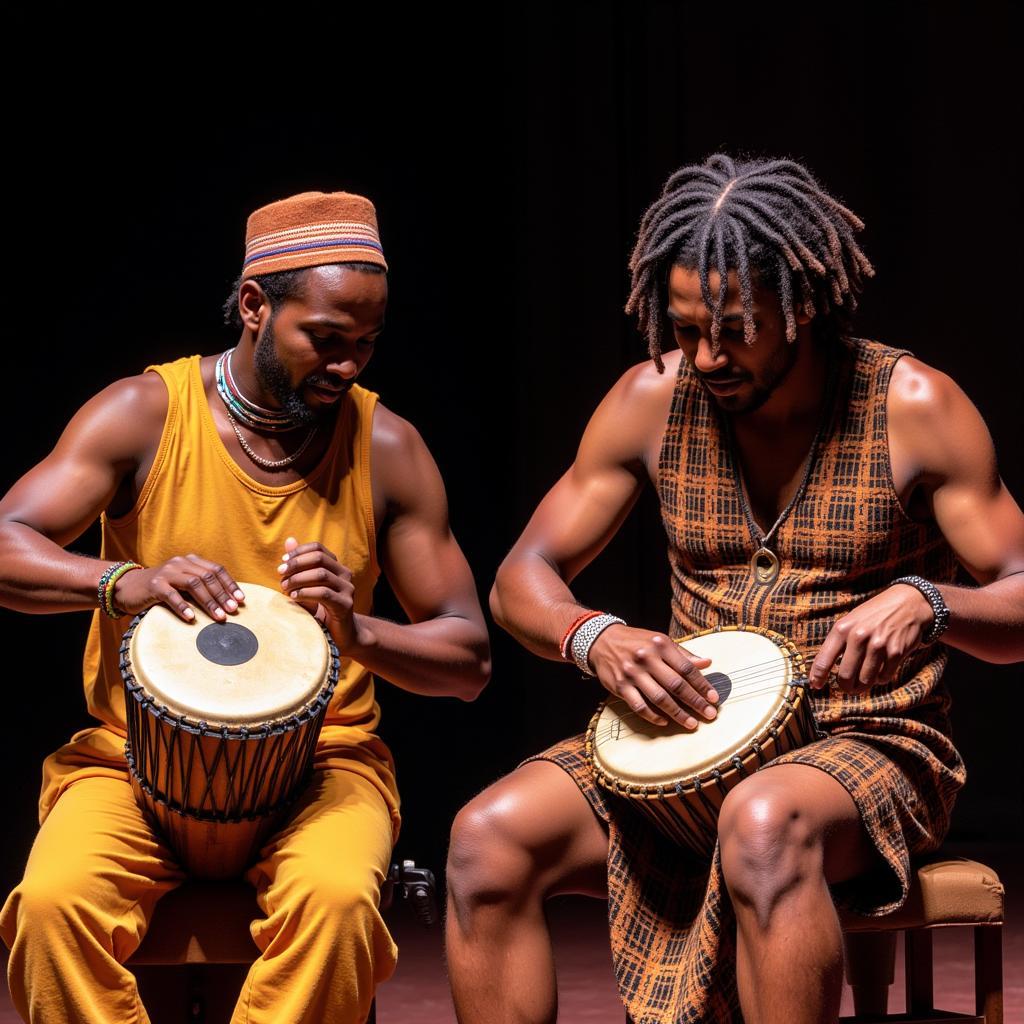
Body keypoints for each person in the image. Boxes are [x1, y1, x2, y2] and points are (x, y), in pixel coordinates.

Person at [445, 155, 1024, 1024]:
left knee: (758, 822)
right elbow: (518, 579)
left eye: (737, 329)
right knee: (485, 840)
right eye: (685, 330)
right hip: (682, 739)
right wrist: (591, 634)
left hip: (867, 745)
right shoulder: (651, 398)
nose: (708, 355)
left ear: (803, 309)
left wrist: (931, 601)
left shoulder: (912, 404)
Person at [0, 190, 491, 1024]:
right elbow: (5, 543)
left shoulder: (388, 449)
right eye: (326, 341)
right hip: (134, 761)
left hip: (320, 767)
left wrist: (357, 627)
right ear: (256, 306)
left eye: (366, 345)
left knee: (337, 906)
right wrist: (125, 582)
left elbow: (470, 663)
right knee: (49, 909)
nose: (347, 366)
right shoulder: (145, 415)